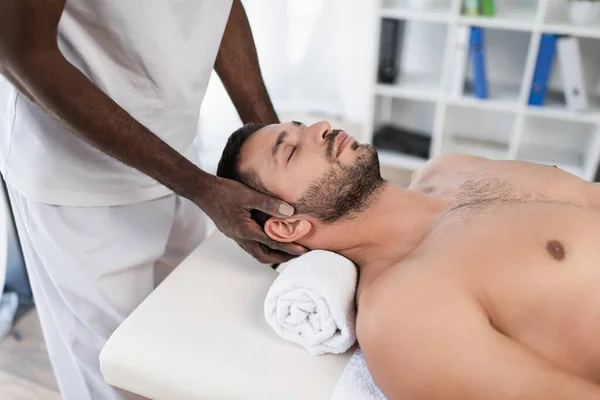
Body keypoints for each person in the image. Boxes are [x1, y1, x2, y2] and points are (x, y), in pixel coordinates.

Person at [0, 1, 307, 399]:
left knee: (182, 356)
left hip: (178, 151)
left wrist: (270, 140)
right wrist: (201, 188)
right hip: (79, 185)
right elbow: (20, 51)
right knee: (115, 378)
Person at [217, 120, 600, 399]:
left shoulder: (447, 168)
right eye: (292, 150)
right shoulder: (402, 311)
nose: (322, 126)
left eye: (302, 126)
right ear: (287, 227)